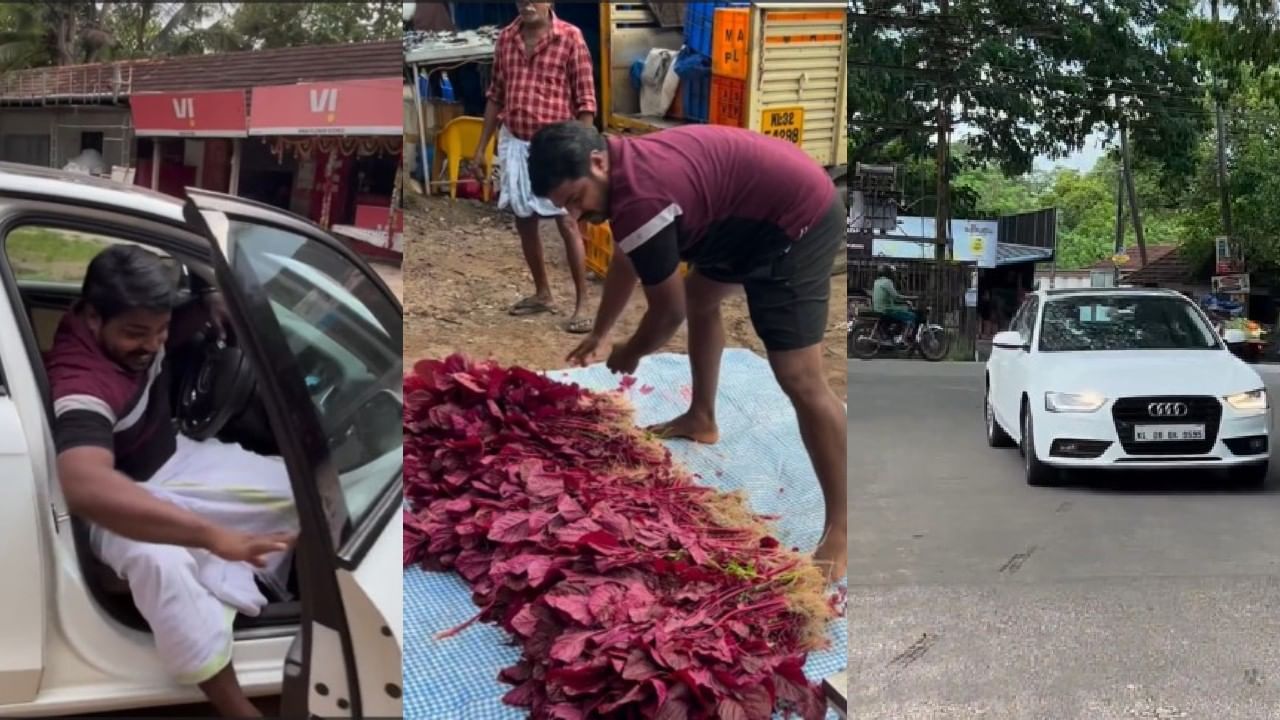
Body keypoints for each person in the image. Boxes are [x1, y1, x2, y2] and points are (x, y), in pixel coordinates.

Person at [527, 121, 848, 581]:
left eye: (576, 199)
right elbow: (627, 258)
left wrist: (631, 351)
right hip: (746, 220)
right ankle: (702, 418)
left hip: (798, 221)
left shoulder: (640, 197)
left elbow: (667, 314)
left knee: (798, 375)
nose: (577, 215)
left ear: (597, 163)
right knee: (702, 297)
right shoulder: (620, 172)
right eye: (566, 208)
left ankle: (842, 525)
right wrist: (601, 333)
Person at [47, 245, 298, 718]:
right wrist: (209, 535)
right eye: (136, 333)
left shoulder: (140, 329)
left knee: (302, 491)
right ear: (94, 317)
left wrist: (209, 301)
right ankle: (237, 708)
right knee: (160, 562)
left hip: (171, 458)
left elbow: (175, 324)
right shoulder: (81, 381)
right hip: (115, 497)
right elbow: (85, 484)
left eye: (160, 330)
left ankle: (243, 579)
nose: (152, 344)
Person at [473, 1, 597, 333]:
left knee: (567, 223)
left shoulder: (571, 37)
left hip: (556, 147)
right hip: (515, 140)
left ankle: (582, 303)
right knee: (524, 220)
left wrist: (583, 155)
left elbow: (586, 102)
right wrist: (480, 148)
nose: (528, 4)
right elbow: (495, 95)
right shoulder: (506, 39)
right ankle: (543, 294)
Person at [872, 264, 916, 343]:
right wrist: (911, 298)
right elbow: (896, 297)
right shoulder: (887, 282)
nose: (893, 274)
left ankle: (894, 334)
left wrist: (904, 302)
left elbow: (890, 298)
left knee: (902, 311)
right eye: (892, 272)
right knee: (911, 316)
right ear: (888, 273)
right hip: (886, 309)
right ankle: (902, 340)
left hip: (878, 308)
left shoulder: (877, 281)